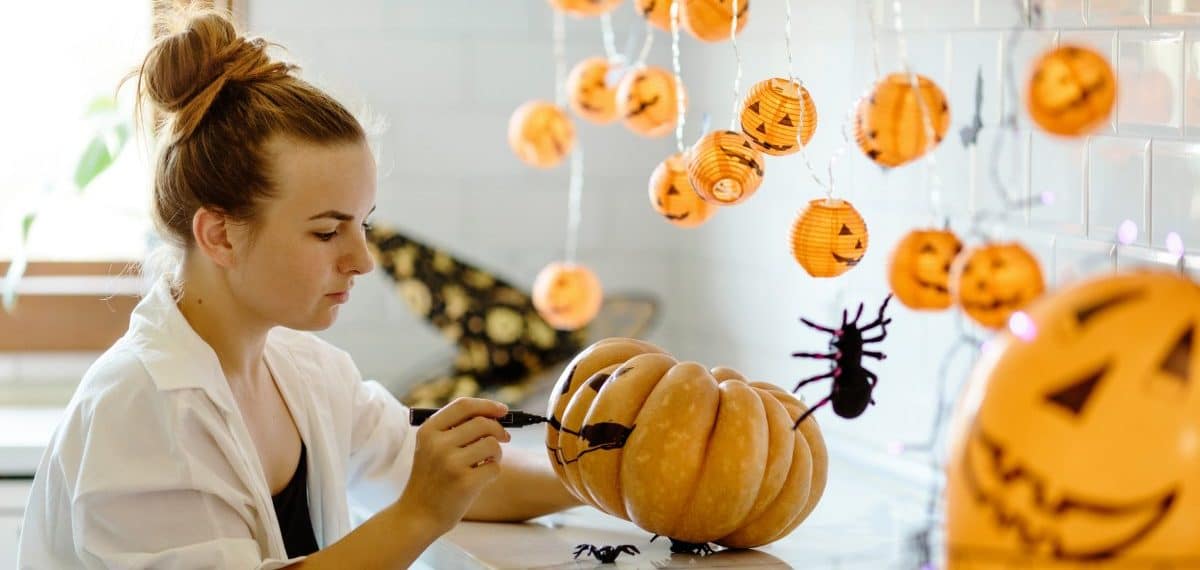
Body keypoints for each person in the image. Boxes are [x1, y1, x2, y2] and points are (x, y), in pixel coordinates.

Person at [17, 6, 580, 568]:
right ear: (220, 235)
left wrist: (604, 465)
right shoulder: (143, 409)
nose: (361, 260)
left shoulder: (305, 372)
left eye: (363, 225)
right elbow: (426, 497)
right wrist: (418, 514)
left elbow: (446, 476)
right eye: (327, 231)